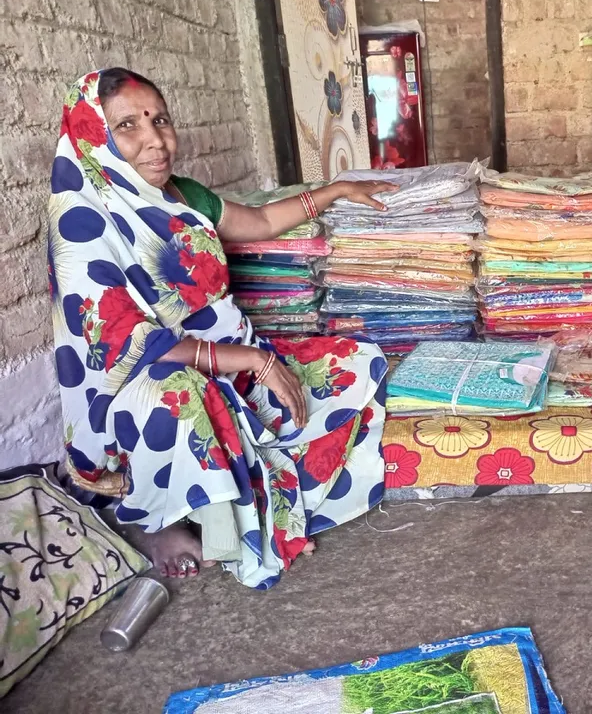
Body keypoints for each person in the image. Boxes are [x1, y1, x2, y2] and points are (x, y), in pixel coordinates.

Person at [49, 68, 398, 589]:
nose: (155, 140)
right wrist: (254, 361)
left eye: (160, 120)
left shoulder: (180, 195)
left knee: (353, 361)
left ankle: (234, 496)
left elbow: (257, 223)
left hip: (231, 356)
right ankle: (156, 520)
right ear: (93, 136)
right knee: (182, 400)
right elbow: (124, 343)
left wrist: (335, 190)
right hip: (147, 383)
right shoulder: (80, 221)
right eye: (128, 125)